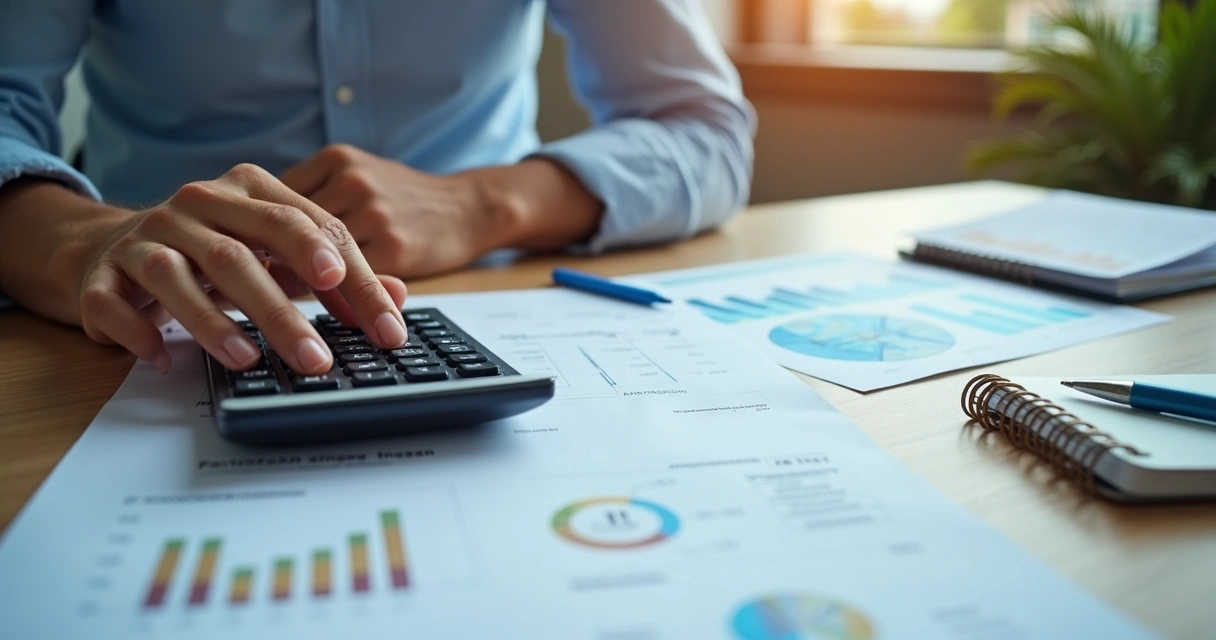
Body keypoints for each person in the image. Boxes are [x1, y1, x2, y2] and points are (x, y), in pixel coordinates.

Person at [0, 1, 755, 376]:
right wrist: (83, 244)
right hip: (146, 330)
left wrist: (482, 204)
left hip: (497, 300)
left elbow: (705, 130)